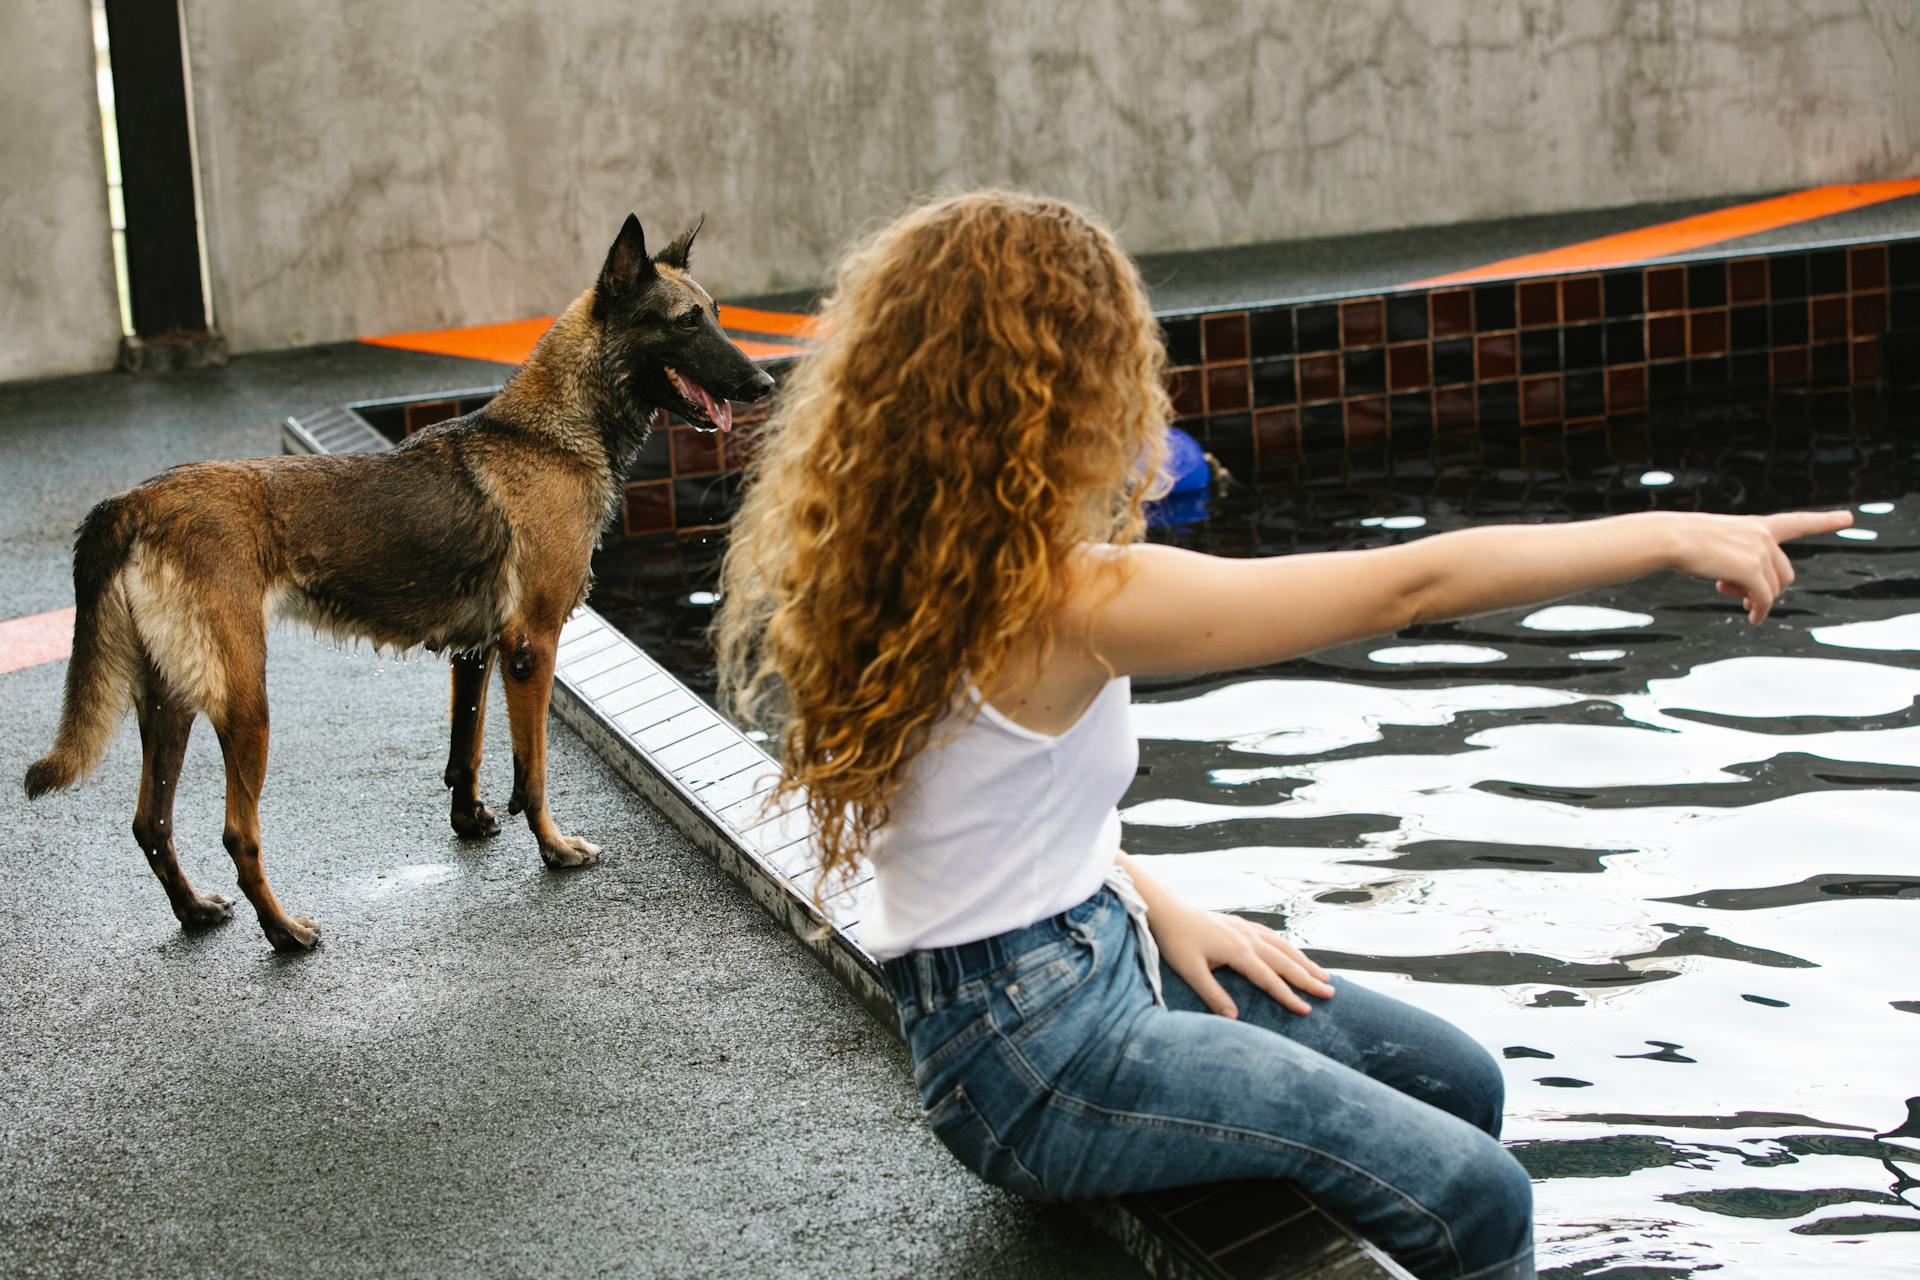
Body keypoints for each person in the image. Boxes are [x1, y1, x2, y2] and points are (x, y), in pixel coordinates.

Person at [711, 190, 1850, 1280]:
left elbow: (980, 815)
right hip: (1035, 1054)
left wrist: (1157, 904)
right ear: (1062, 388)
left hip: (1071, 963)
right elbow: (1411, 584)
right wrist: (1664, 528)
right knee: (1481, 1194)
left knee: (1454, 1080)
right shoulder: (1073, 599)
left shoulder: (914, 565)